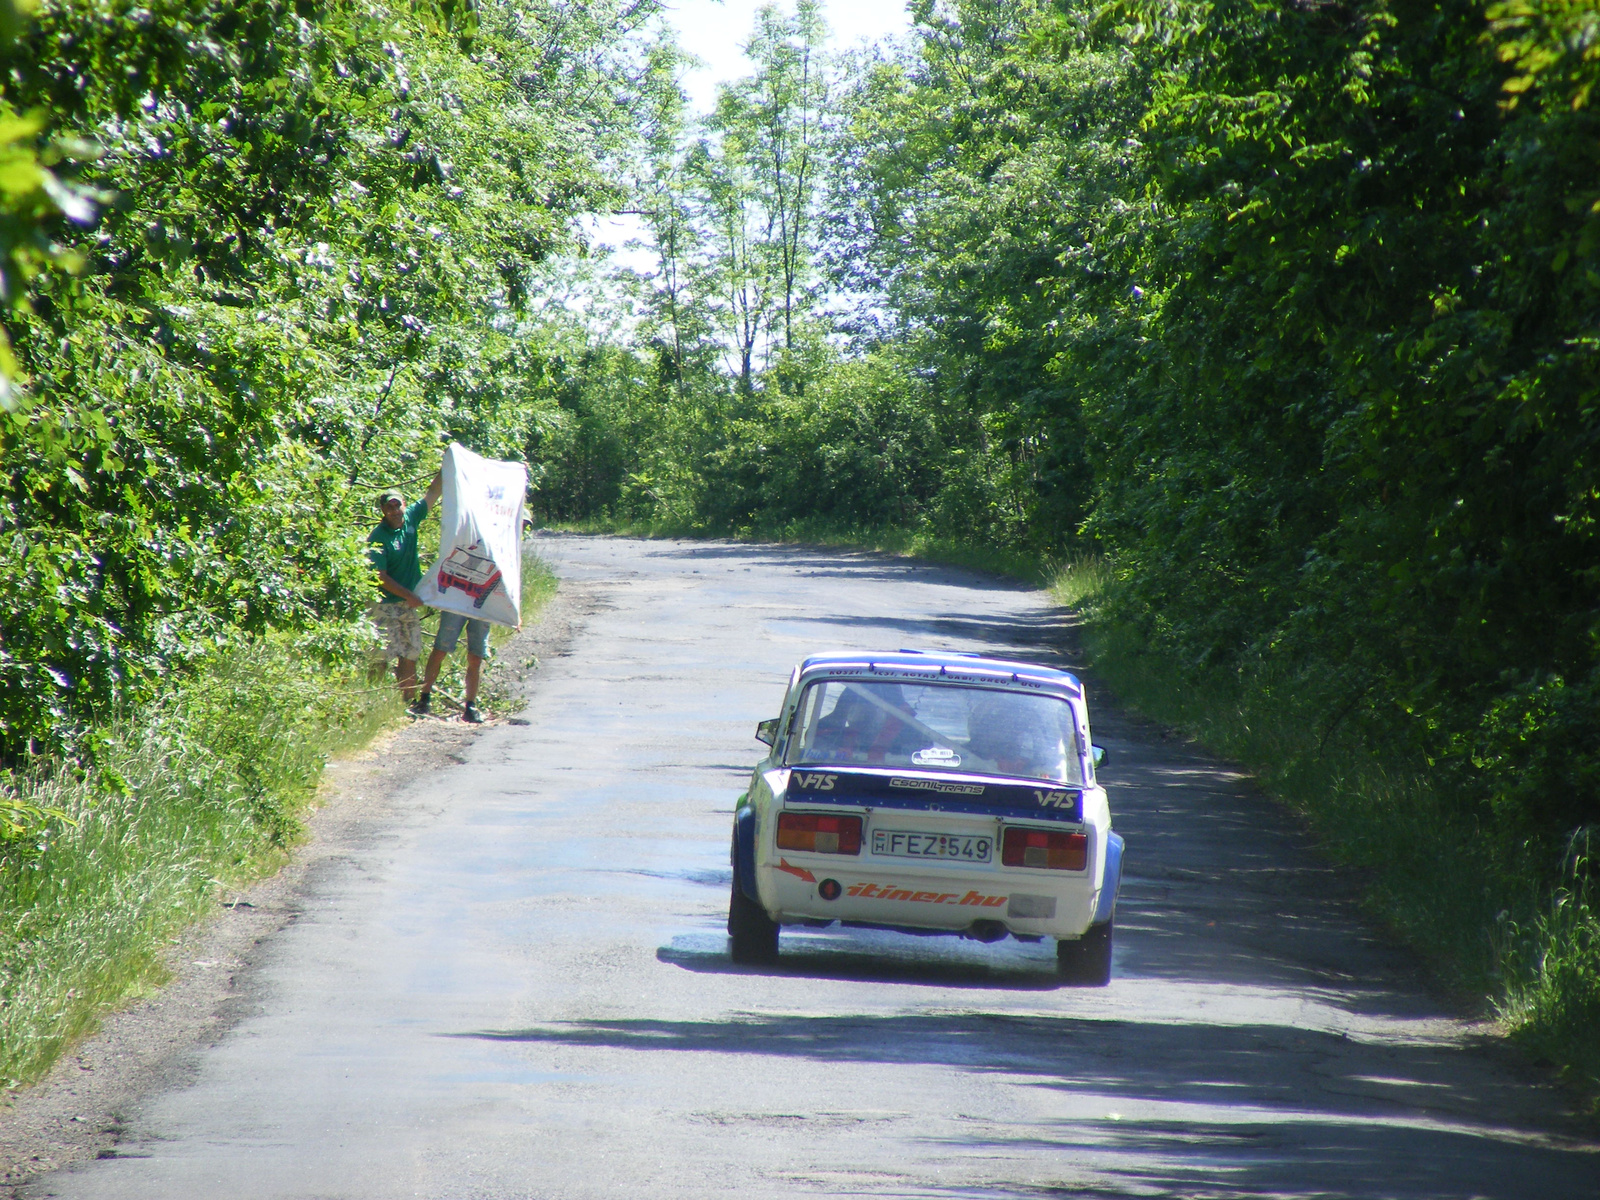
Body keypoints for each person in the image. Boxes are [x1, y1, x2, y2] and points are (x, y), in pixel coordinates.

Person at [366, 470, 442, 702]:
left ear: (403, 505)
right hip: (385, 606)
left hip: (408, 603)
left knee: (410, 653)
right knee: (381, 657)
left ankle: (407, 703)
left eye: (397, 506)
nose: (395, 511)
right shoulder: (378, 538)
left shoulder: (410, 519)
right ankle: (371, 702)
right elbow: (380, 577)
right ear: (383, 511)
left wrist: (449, 462)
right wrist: (409, 595)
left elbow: (433, 493)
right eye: (389, 507)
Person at [412, 613, 489, 723]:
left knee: (476, 657)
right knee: (440, 650)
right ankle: (424, 698)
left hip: (482, 605)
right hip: (456, 603)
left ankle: (471, 706)